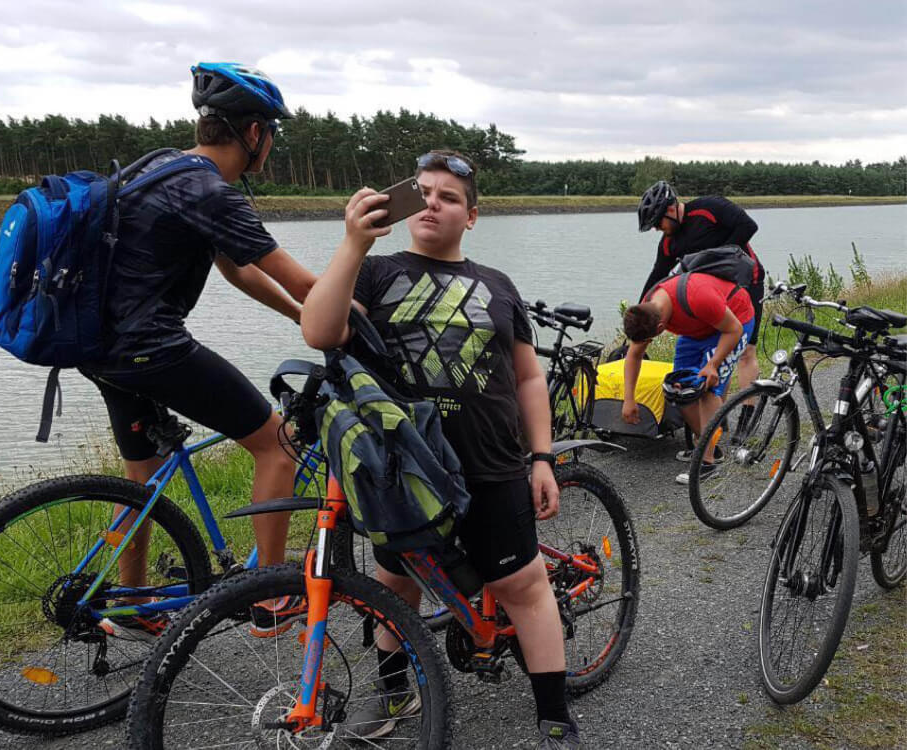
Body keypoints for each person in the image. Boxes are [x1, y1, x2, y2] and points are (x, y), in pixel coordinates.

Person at [301, 151, 581, 748]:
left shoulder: (499, 286)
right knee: (393, 585)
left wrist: (543, 457)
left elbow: (529, 379)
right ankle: (394, 690)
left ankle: (553, 713)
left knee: (523, 587)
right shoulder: (374, 274)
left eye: (449, 197)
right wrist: (353, 243)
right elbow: (320, 332)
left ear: (472, 216)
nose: (432, 202)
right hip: (404, 472)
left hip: (494, 464)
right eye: (421, 191)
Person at [81, 62, 317, 638]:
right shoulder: (214, 192)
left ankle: (132, 603)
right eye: (272, 134)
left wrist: (296, 316)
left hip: (97, 347)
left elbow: (237, 269)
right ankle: (273, 597)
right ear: (255, 134)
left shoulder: (165, 166)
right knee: (277, 445)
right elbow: (307, 283)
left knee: (142, 476)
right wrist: (345, 318)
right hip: (152, 349)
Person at [637, 181, 765, 458]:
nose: (659, 229)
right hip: (711, 296)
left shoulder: (709, 208)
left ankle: (746, 416)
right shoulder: (670, 242)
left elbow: (749, 226)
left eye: (658, 222)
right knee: (721, 354)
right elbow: (657, 275)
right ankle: (719, 420)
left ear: (671, 208)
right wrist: (640, 312)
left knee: (745, 352)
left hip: (746, 284)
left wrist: (714, 255)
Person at [622, 271, 755, 484]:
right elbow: (634, 354)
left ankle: (708, 462)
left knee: (707, 389)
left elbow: (734, 329)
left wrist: (712, 365)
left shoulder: (698, 297)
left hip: (735, 321)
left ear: (660, 328)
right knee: (680, 389)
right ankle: (709, 445)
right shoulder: (648, 307)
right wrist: (629, 399)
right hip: (697, 329)